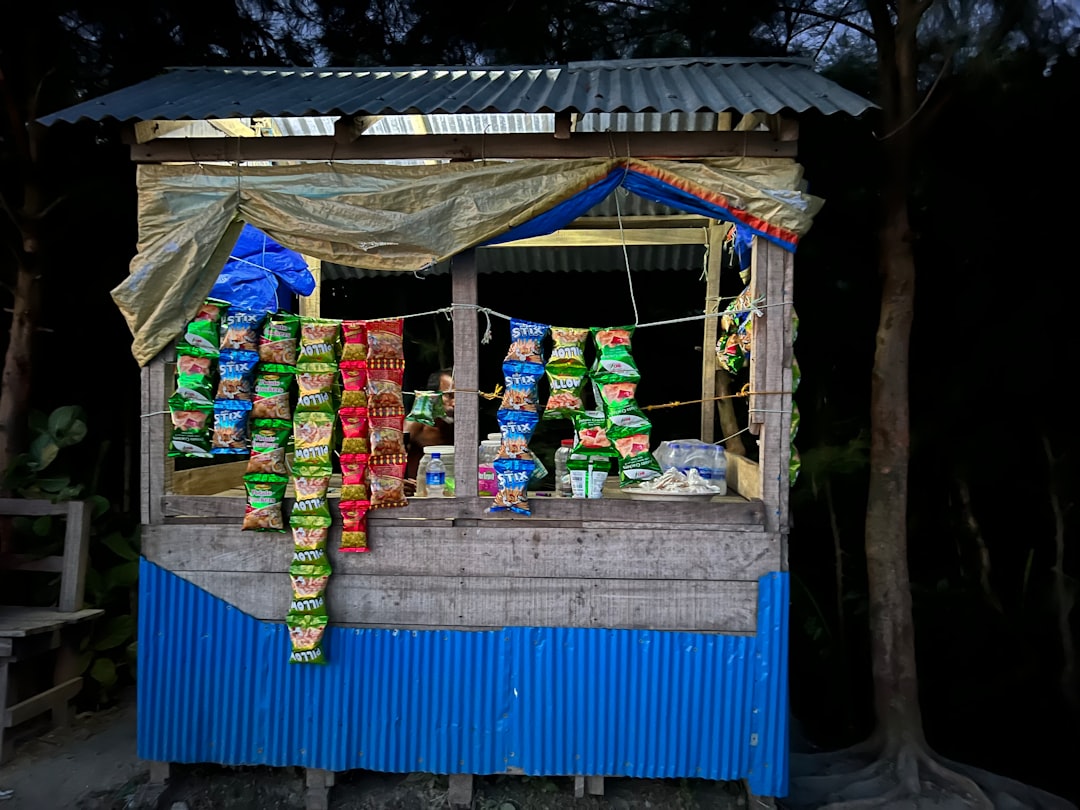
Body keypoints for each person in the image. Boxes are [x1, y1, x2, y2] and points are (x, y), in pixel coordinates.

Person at [403, 368, 454, 495]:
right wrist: (398, 482)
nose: (454, 403)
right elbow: (393, 454)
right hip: (417, 493)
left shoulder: (461, 426)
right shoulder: (417, 424)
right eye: (449, 395)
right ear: (433, 396)